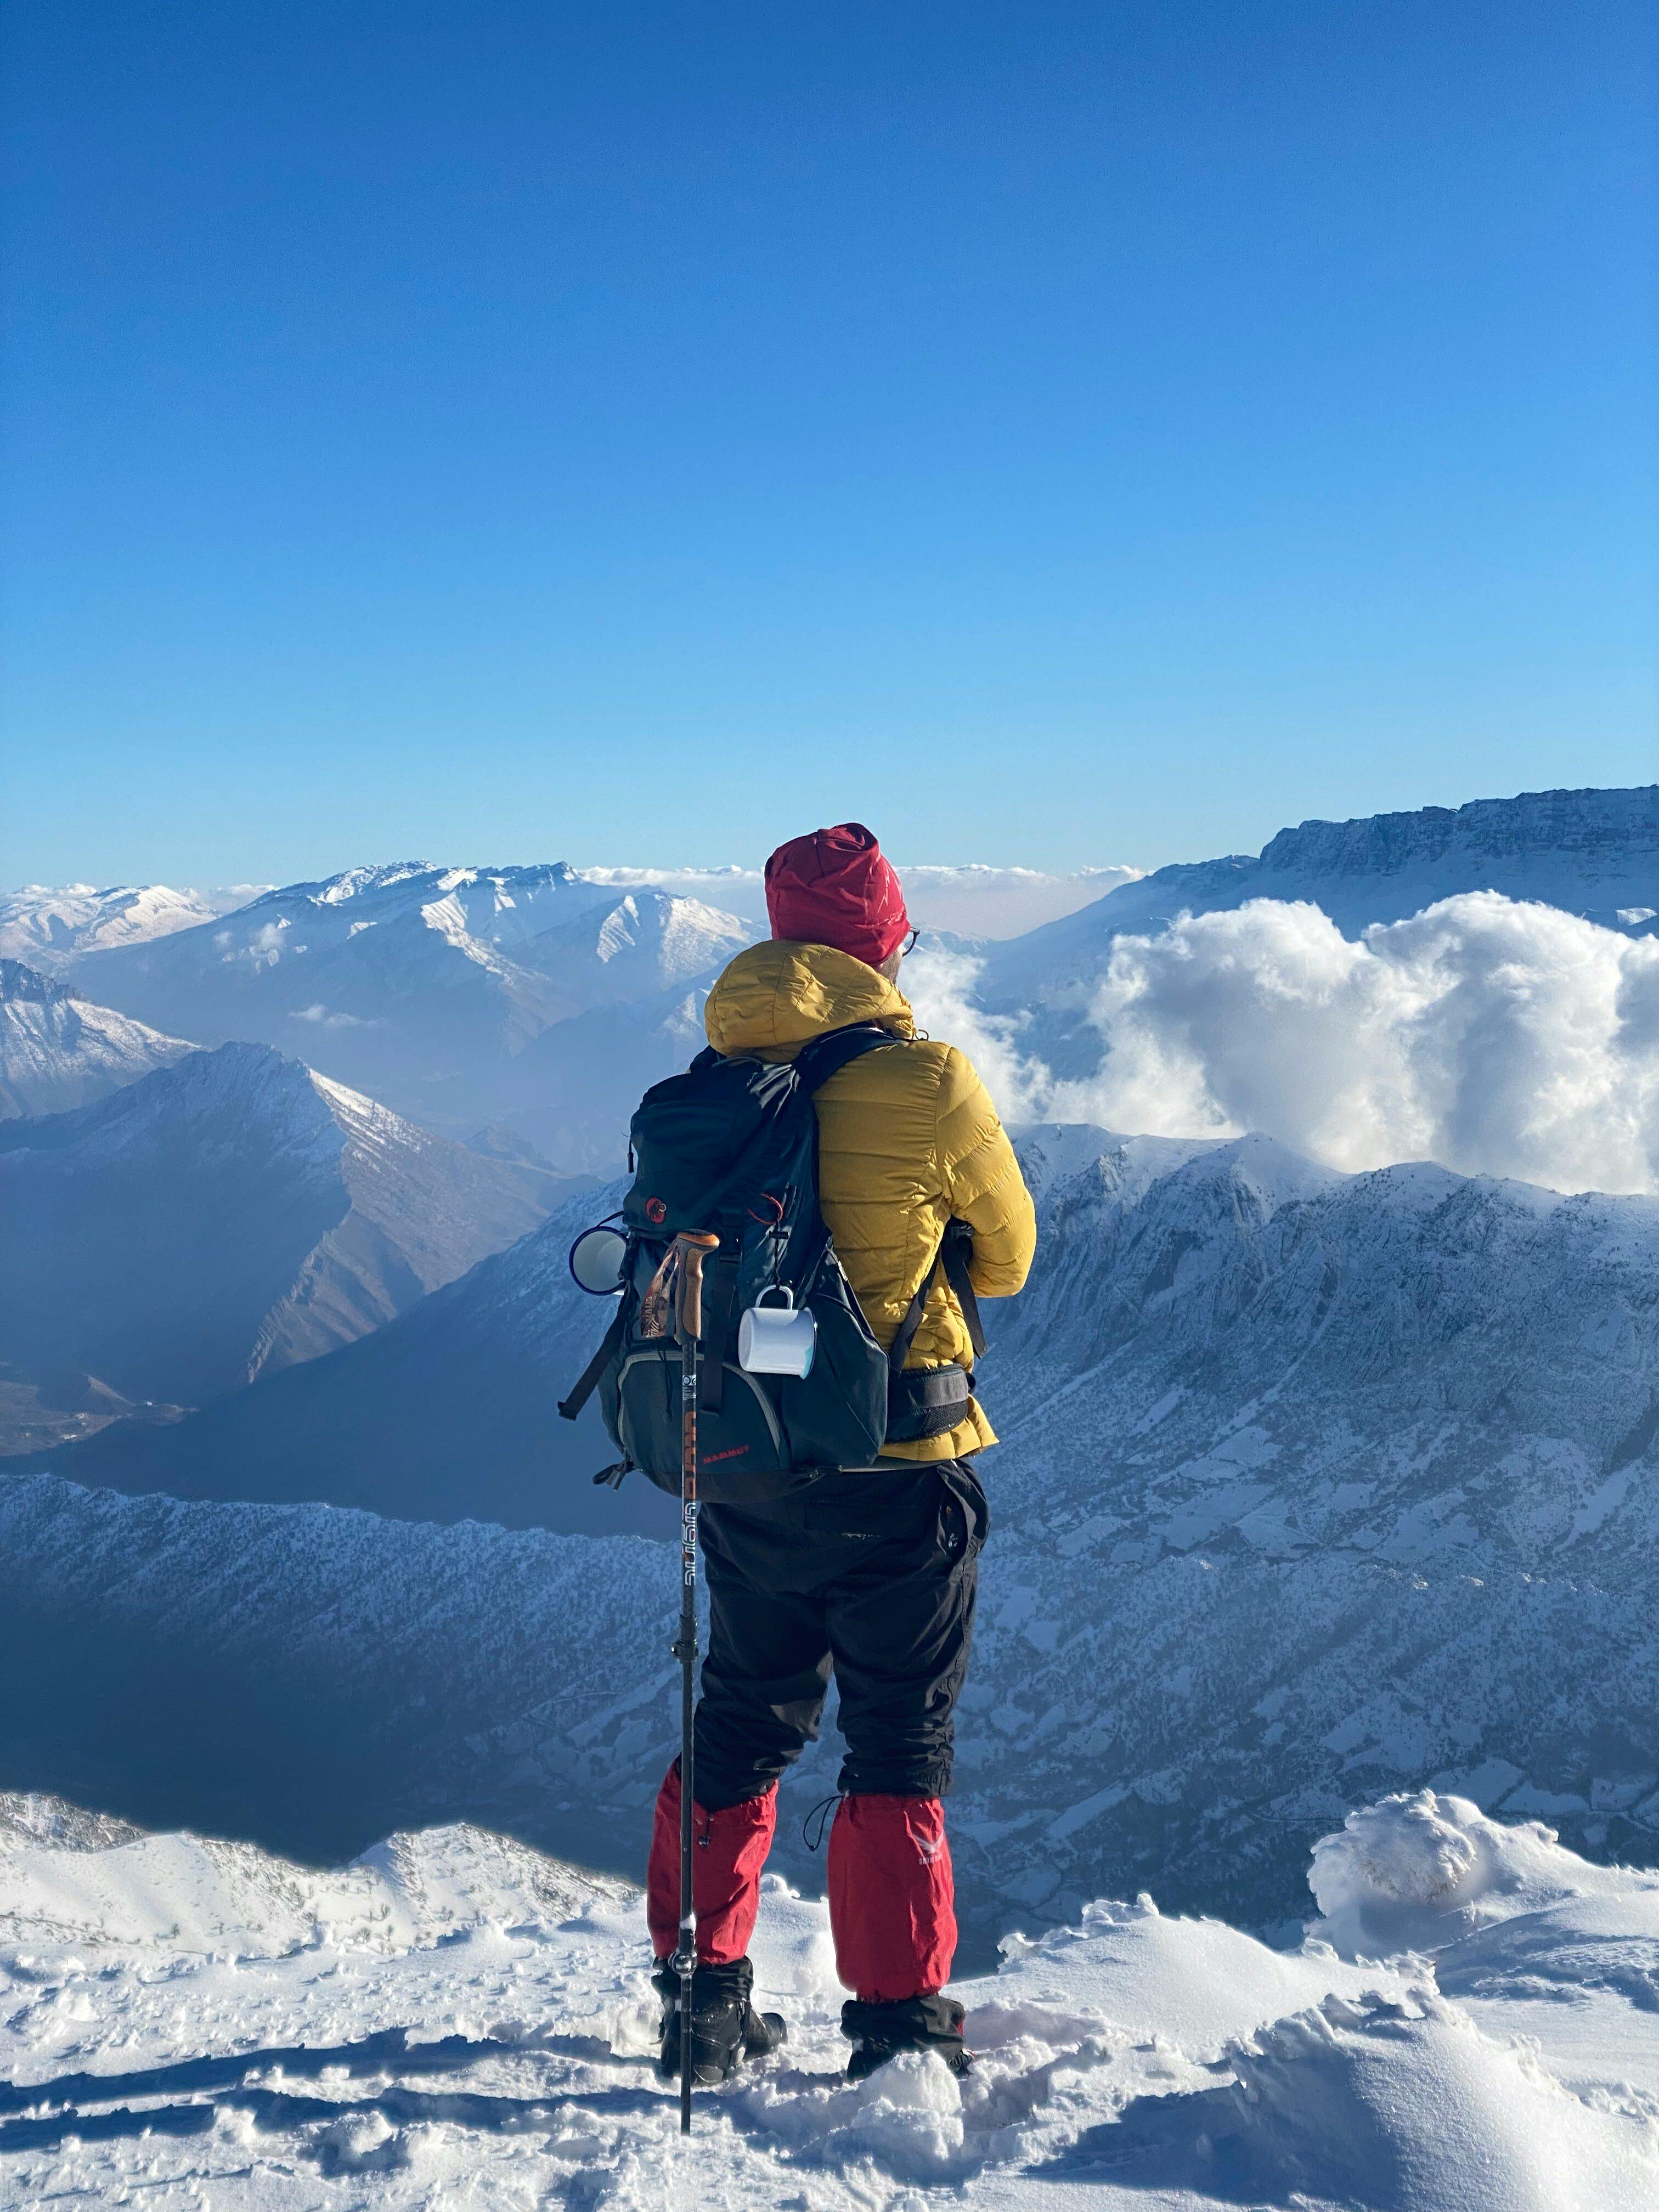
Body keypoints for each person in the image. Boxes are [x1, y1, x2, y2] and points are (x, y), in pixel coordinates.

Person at [645, 822, 1037, 2083]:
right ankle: (896, 2023)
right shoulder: (930, 1081)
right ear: (887, 940)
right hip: (898, 1465)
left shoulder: (710, 1084)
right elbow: (1013, 1257)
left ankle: (703, 1999)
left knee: (740, 1722)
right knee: (895, 1744)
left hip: (746, 1465)